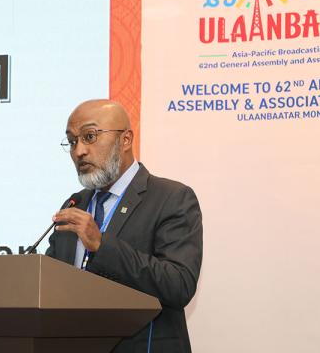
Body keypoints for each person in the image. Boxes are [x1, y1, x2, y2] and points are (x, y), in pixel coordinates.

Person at [46, 99, 203, 353]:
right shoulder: (75, 204)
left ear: (126, 140)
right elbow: (51, 284)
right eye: (72, 141)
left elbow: (179, 284)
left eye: (89, 136)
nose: (79, 151)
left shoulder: (171, 198)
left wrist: (102, 245)